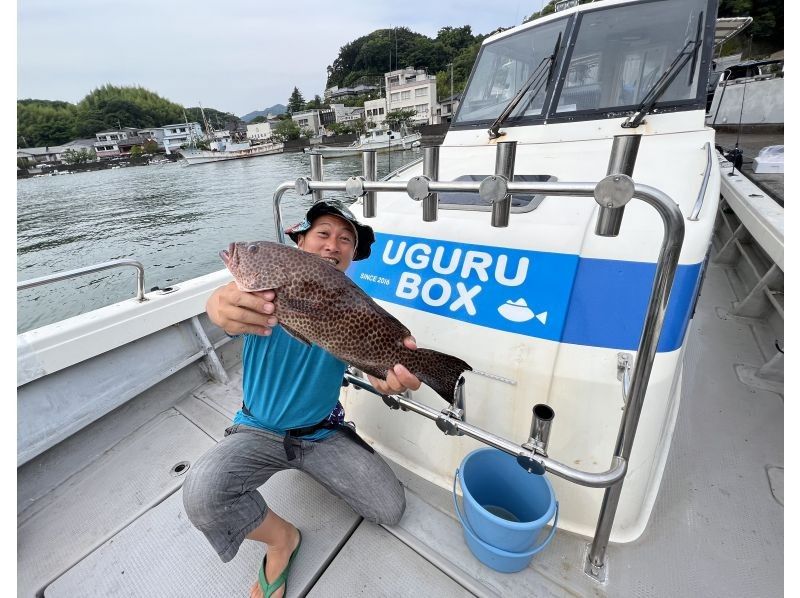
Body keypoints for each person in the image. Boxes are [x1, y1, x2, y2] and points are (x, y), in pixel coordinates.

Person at [182, 199, 421, 598]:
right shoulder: (261, 295)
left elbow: (368, 356)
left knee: (389, 509)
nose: (334, 245)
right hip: (257, 430)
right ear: (299, 242)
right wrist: (216, 306)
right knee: (203, 495)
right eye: (323, 234)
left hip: (322, 433)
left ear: (351, 256)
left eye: (346, 240)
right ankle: (282, 540)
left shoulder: (352, 306)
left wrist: (386, 377)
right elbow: (225, 305)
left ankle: (321, 462)